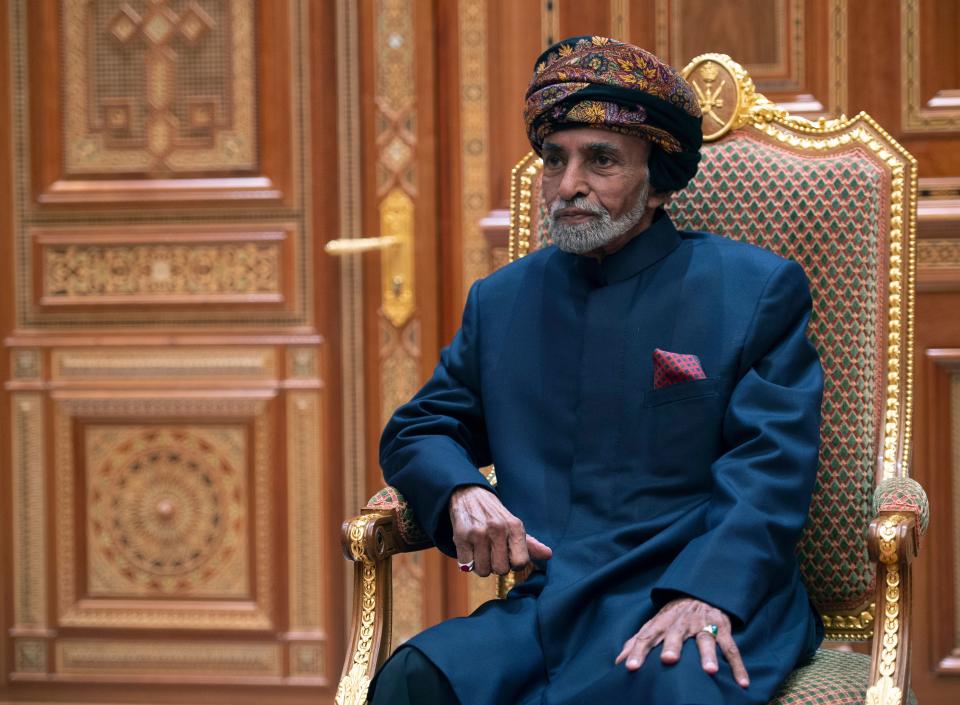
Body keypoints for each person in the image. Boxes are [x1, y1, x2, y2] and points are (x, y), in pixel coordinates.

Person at [369, 36, 823, 705]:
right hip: (553, 601)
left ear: (659, 179)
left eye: (600, 159)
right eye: (556, 159)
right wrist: (461, 490)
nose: (569, 183)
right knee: (418, 677)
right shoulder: (502, 302)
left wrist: (708, 589)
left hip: (696, 586)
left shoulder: (753, 289)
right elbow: (420, 427)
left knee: (670, 683)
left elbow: (772, 467)